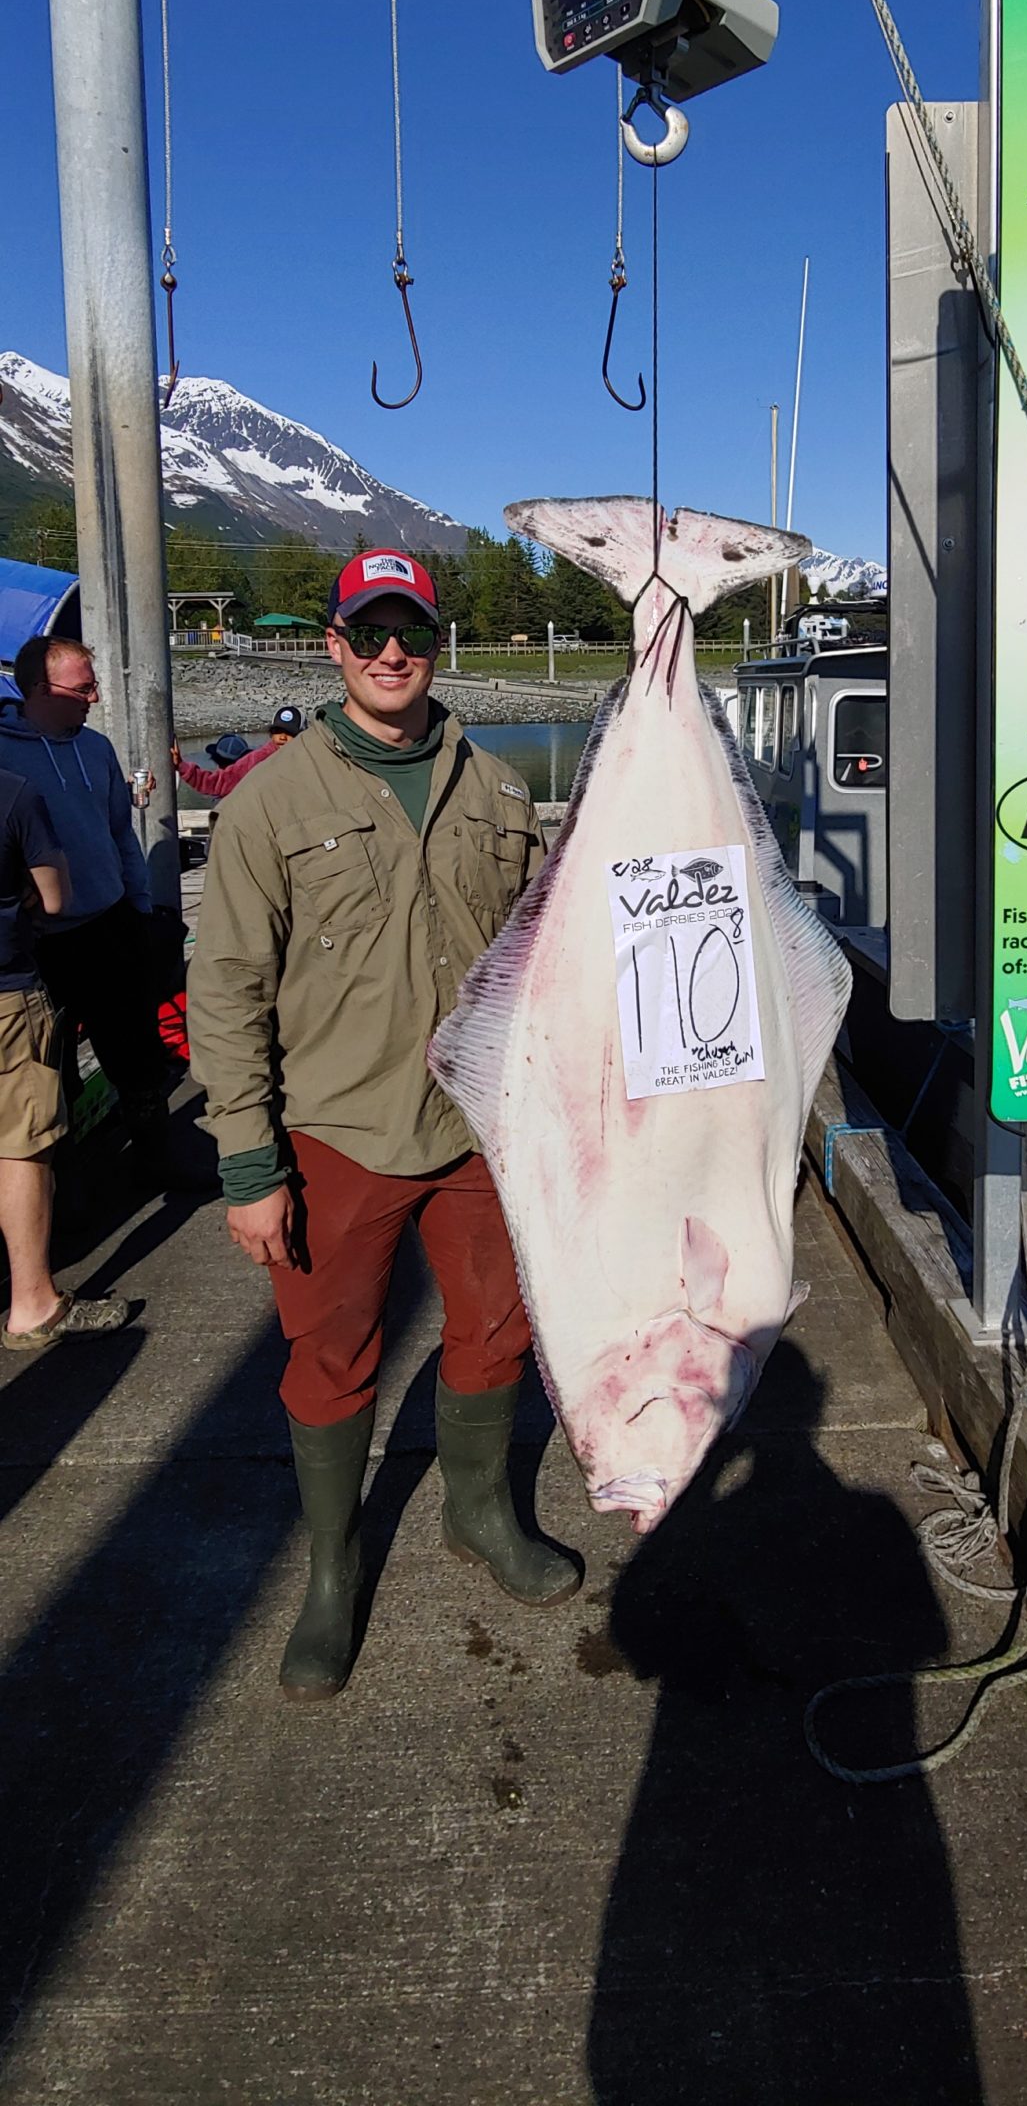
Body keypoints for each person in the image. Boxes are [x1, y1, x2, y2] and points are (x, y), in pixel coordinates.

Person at [188, 547, 580, 1702]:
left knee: (499, 1328)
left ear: (436, 642)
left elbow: (542, 960)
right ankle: (330, 1567)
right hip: (334, 1133)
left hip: (477, 1131)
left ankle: (478, 1511)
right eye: (369, 631)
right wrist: (248, 1164)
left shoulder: (501, 791)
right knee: (328, 1356)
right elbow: (226, 993)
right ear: (335, 646)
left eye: (410, 629)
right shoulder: (272, 797)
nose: (392, 651)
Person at [0, 637, 174, 1181]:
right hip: (39, 943)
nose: (95, 698)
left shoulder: (96, 749)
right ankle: (65, 1186)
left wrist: (140, 905)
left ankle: (157, 1160)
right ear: (38, 690)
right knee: (50, 1074)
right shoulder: (3, 756)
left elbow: (122, 833)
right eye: (83, 689)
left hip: (110, 923)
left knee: (137, 1052)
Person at [0, 761, 132, 1347]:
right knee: (22, 1149)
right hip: (6, 993)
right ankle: (32, 1304)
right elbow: (55, 898)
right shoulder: (14, 792)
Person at [172, 706, 304, 801]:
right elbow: (218, 782)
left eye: (290, 733)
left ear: (303, 735)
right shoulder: (258, 759)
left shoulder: (311, 759)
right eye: (277, 731)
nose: (282, 737)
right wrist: (182, 767)